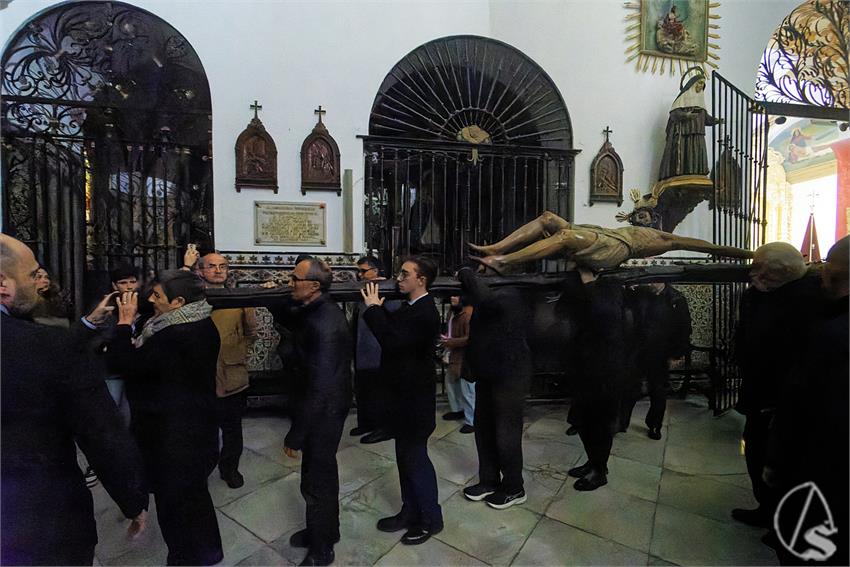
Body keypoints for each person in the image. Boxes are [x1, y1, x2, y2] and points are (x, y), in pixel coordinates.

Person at [0, 234, 148, 565]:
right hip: (36, 517)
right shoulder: (49, 347)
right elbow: (101, 432)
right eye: (31, 273)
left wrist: (86, 325)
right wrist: (132, 498)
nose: (39, 282)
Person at [107, 270, 223, 565]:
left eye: (157, 295)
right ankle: (209, 552)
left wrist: (123, 324)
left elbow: (126, 364)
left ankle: (185, 558)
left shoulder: (171, 335)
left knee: (175, 506)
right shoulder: (199, 320)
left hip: (173, 439)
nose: (150, 299)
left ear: (178, 301)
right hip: (198, 430)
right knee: (196, 498)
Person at [764, 236, 848, 565]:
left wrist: (776, 461)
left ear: (831, 275)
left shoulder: (829, 335)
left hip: (823, 469)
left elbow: (799, 405)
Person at [732, 242, 821, 531]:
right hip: (759, 391)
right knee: (756, 452)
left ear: (780, 272)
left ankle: (786, 522)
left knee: (786, 463)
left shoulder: (811, 299)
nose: (752, 275)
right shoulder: (757, 294)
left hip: (789, 398)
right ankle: (767, 510)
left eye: (759, 269)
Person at [268, 258, 351, 567]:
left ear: (314, 286)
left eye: (294, 279)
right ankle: (327, 530)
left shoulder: (325, 323)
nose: (290, 282)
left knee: (317, 479)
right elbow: (289, 315)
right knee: (318, 473)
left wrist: (296, 434)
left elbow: (321, 387)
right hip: (320, 404)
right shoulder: (315, 309)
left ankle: (322, 548)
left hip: (324, 410)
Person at [361, 256, 443, 545]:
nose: (398, 278)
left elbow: (394, 341)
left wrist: (373, 310)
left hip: (415, 405)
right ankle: (410, 512)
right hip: (404, 402)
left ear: (421, 280)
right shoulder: (413, 308)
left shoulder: (426, 312)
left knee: (416, 462)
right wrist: (381, 310)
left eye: (405, 274)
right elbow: (398, 328)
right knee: (406, 461)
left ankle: (431, 519)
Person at [457, 268, 533, 507]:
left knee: (506, 432)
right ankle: (488, 480)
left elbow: (489, 301)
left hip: (510, 373)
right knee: (484, 429)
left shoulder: (513, 291)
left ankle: (514, 487)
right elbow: (480, 331)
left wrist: (466, 273)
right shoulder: (489, 293)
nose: (481, 272)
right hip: (488, 371)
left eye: (485, 267)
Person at [469, 210, 751, 274]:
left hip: (614, 249)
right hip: (603, 234)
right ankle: (498, 248)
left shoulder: (668, 238)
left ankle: (502, 262)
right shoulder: (628, 226)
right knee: (547, 218)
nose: (641, 216)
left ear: (655, 218)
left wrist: (748, 254)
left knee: (565, 236)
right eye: (638, 214)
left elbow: (710, 248)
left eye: (646, 214)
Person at [564, 268, 632, 491]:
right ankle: (593, 461)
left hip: (606, 370)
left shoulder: (610, 286)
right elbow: (563, 310)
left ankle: (599, 471)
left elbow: (605, 316)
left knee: (600, 423)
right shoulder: (579, 287)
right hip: (583, 367)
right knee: (582, 420)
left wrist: (589, 283)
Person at [198, 252, 257, 489]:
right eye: (211, 266)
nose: (218, 270)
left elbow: (251, 332)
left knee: (232, 428)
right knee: (203, 428)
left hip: (232, 374)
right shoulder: (192, 299)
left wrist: (234, 350)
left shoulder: (239, 299)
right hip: (201, 375)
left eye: (222, 266)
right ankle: (202, 468)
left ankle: (230, 468)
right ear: (201, 270)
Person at [620, 282, 691, 440]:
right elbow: (625, 302)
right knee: (630, 387)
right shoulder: (641, 293)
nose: (651, 283)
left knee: (658, 391)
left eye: (654, 280)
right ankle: (621, 422)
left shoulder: (676, 299)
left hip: (661, 353)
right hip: (639, 350)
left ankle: (654, 425)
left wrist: (677, 354)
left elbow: (684, 328)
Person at [351, 255, 394, 444]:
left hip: (378, 350)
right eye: (358, 271)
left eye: (363, 271)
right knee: (364, 388)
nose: (360, 275)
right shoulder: (364, 290)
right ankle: (367, 422)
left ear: (376, 271)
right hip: (363, 349)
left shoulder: (386, 289)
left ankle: (383, 428)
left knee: (379, 391)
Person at [658, 67, 721, 180]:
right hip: (685, 133)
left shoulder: (700, 101)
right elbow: (674, 114)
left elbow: (705, 118)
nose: (701, 86)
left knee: (697, 152)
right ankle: (684, 172)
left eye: (703, 84)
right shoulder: (683, 98)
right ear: (693, 84)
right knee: (686, 153)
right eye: (700, 83)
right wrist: (686, 115)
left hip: (698, 133)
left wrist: (715, 120)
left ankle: (696, 172)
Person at [440, 295, 476, 434]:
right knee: (451, 384)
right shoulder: (454, 311)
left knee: (467, 389)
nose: (452, 299)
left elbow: (470, 338)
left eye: (455, 296)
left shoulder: (467, 314)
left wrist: (451, 342)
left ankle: (471, 420)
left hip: (464, 357)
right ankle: (458, 410)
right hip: (454, 354)